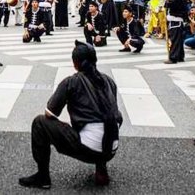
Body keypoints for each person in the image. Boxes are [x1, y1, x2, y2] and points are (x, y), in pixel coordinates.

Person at [19, 41, 122, 189]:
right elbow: (114, 116)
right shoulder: (109, 81)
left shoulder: (72, 82)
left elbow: (49, 113)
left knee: (39, 123)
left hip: (88, 149)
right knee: (112, 116)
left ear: (75, 64)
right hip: (111, 149)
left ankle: (43, 177)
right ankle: (101, 169)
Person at [165, 0, 187, 64]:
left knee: (175, 40)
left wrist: (166, 0)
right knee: (178, 40)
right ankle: (180, 56)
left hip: (176, 20)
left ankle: (173, 57)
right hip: (175, 19)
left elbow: (169, 5)